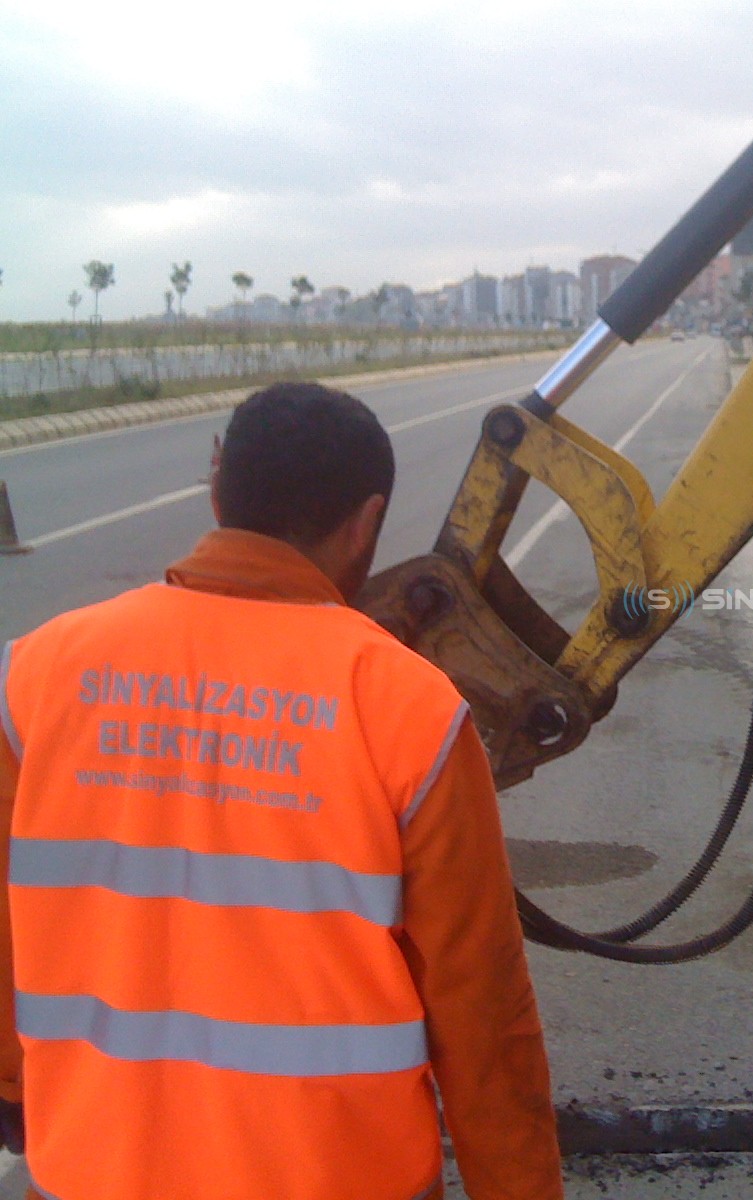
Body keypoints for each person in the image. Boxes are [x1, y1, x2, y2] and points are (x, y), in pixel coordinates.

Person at [0, 383, 563, 1199]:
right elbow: (484, 1019)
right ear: (366, 523)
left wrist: (16, 1090)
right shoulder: (409, 708)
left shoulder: (32, 680)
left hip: (95, 1171)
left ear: (217, 480)